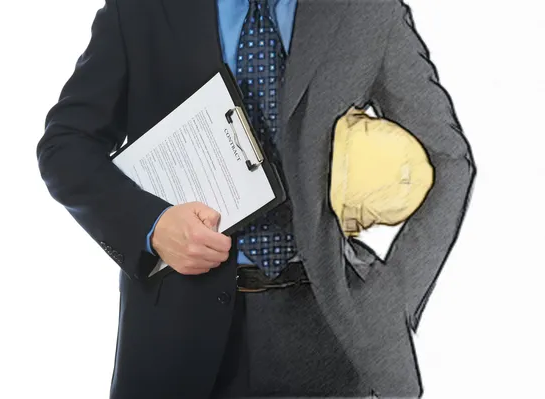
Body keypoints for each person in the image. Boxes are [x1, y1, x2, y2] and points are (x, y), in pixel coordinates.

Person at [36, 0, 476, 397]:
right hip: (173, 337)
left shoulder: (365, 11)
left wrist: (387, 304)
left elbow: (449, 160)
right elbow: (67, 145)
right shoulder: (144, 9)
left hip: (325, 337)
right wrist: (151, 227)